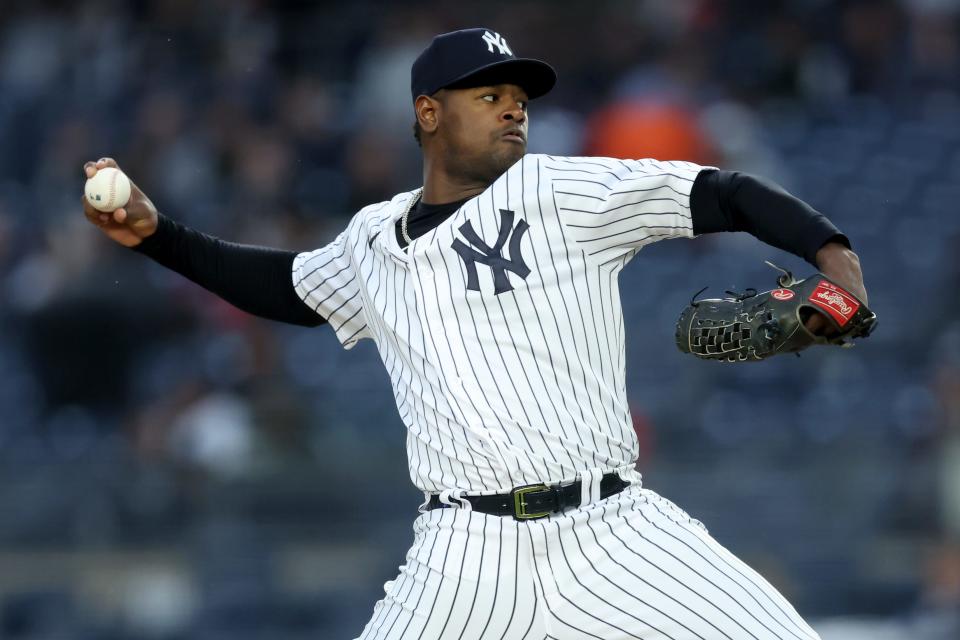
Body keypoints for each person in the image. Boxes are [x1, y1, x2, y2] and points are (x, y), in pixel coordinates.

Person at [83, 28, 865, 640]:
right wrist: (159, 238)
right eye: (488, 95)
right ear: (428, 112)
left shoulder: (561, 190)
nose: (513, 107)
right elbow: (286, 288)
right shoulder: (372, 239)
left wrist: (836, 258)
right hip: (463, 555)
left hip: (613, 531)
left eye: (517, 97)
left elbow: (721, 192)